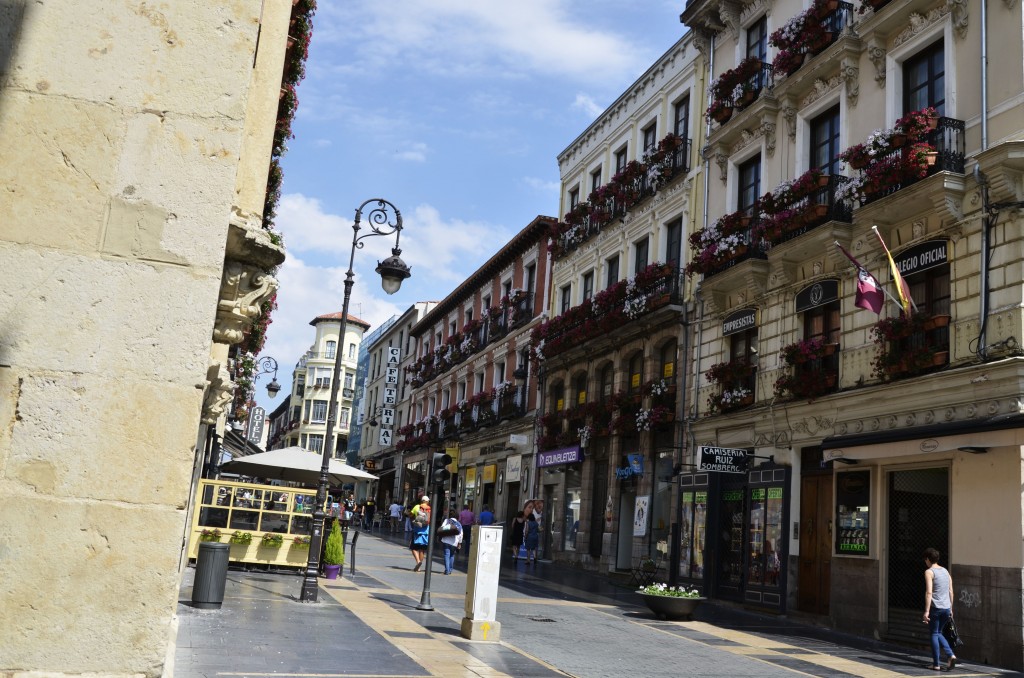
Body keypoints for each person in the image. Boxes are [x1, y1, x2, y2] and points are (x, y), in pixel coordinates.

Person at [923, 547, 957, 671]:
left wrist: (926, 611)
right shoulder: (945, 571)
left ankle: (936, 664)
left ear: (927, 559)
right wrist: (951, 608)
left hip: (936, 608)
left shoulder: (929, 572)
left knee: (934, 633)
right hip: (946, 607)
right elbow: (951, 591)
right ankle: (950, 655)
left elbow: (929, 592)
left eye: (925, 559)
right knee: (939, 632)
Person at [409, 496, 431, 571]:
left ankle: (418, 561)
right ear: (427, 501)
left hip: (417, 530)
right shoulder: (429, 508)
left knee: (413, 547)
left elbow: (410, 515)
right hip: (426, 531)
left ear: (422, 501)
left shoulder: (417, 507)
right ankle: (419, 565)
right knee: (422, 549)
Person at [439, 510, 463, 575]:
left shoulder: (447, 521)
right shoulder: (459, 524)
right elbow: (461, 534)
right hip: (454, 542)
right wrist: (460, 543)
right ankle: (450, 570)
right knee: (452, 555)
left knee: (447, 555)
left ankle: (447, 570)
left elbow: (442, 528)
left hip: (446, 540)